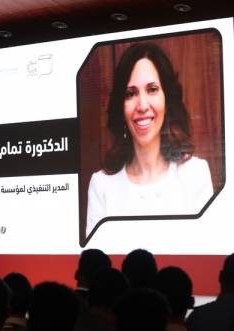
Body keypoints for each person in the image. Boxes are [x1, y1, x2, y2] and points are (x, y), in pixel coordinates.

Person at [86, 42, 213, 236]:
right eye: (131, 94)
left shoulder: (196, 175)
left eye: (152, 89)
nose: (142, 106)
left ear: (166, 98)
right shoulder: (101, 185)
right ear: (121, 106)